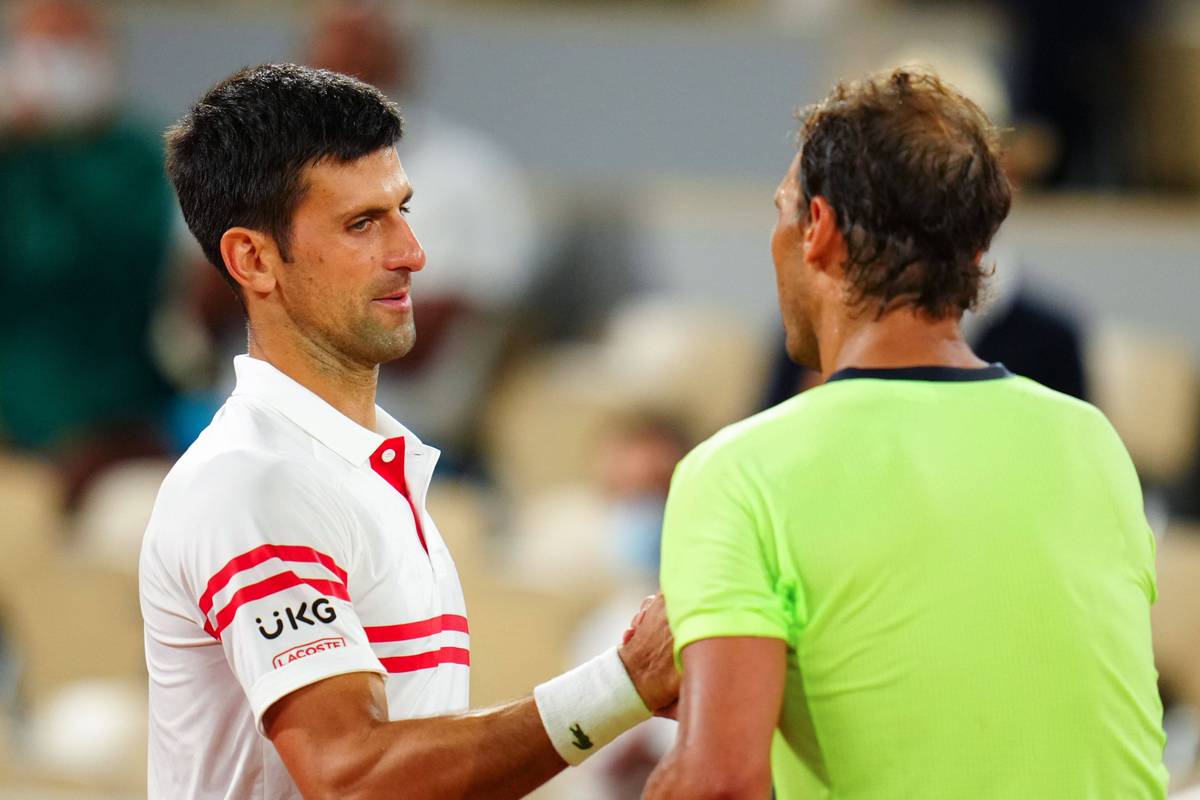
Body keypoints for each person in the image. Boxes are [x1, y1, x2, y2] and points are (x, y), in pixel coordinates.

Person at [138, 64, 677, 799]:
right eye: (363, 223)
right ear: (253, 260)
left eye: (402, 210)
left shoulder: (360, 470)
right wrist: (624, 685)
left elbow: (414, 756)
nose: (412, 253)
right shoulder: (254, 484)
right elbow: (354, 776)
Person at [646, 68, 1167, 798]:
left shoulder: (738, 471)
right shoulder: (1093, 444)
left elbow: (721, 783)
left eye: (782, 210)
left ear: (818, 231)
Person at [0, 0, 176, 507]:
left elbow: (114, 268)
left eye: (71, 44)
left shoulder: (137, 157)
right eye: (42, 46)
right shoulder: (10, 158)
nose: (55, 62)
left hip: (113, 421)